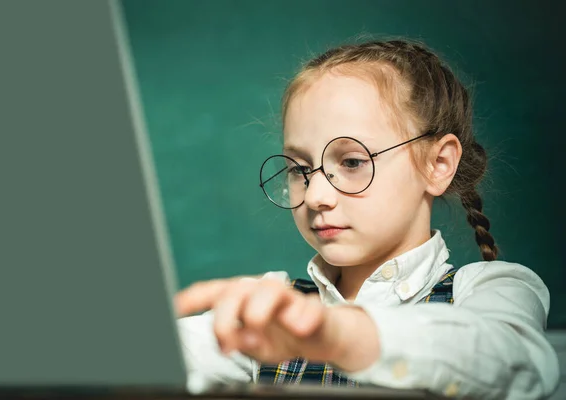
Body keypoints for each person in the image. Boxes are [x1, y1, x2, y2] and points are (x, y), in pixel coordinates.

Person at [175, 39, 560, 399]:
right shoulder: (272, 308)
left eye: (353, 162)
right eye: (299, 169)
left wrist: (340, 334)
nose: (315, 196)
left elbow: (517, 361)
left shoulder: (493, 288)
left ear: (438, 163)